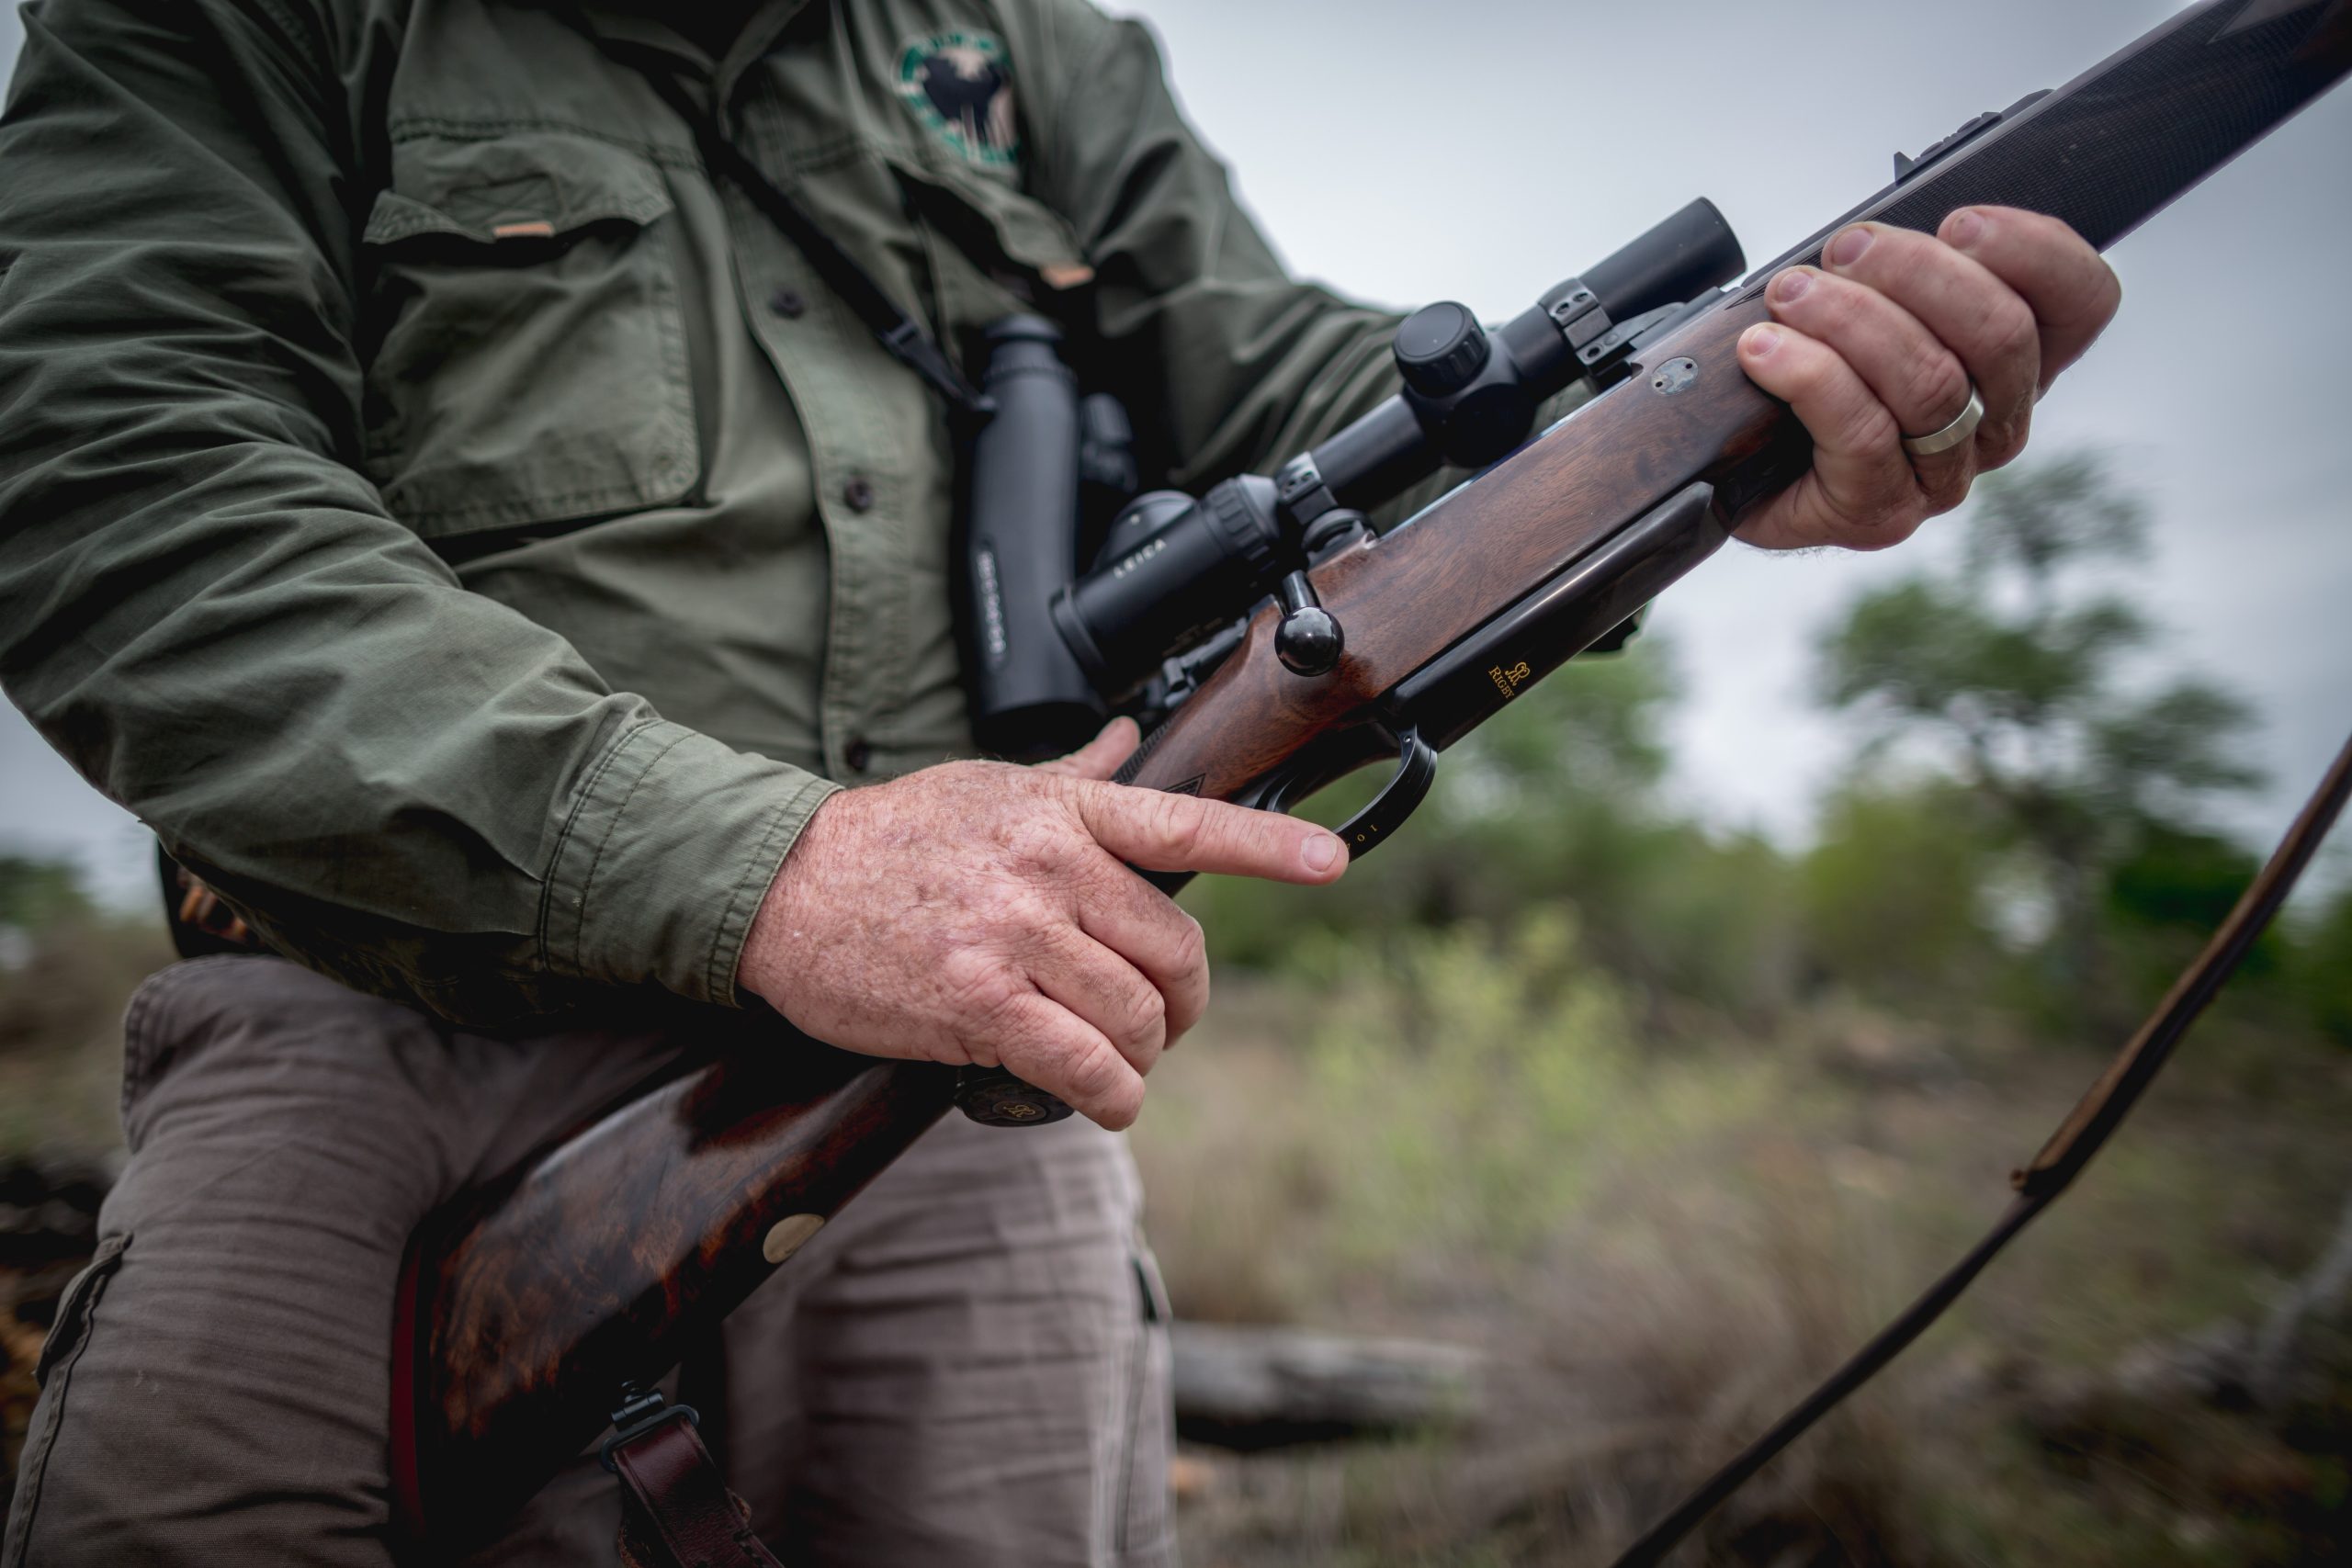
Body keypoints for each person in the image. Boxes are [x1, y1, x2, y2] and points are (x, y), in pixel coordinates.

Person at [0, 0, 2121, 1563]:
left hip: (961, 1075)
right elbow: (121, 486)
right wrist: (770, 864)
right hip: (370, 1034)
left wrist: (1727, 429)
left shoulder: (1027, 56)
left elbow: (1298, 384)